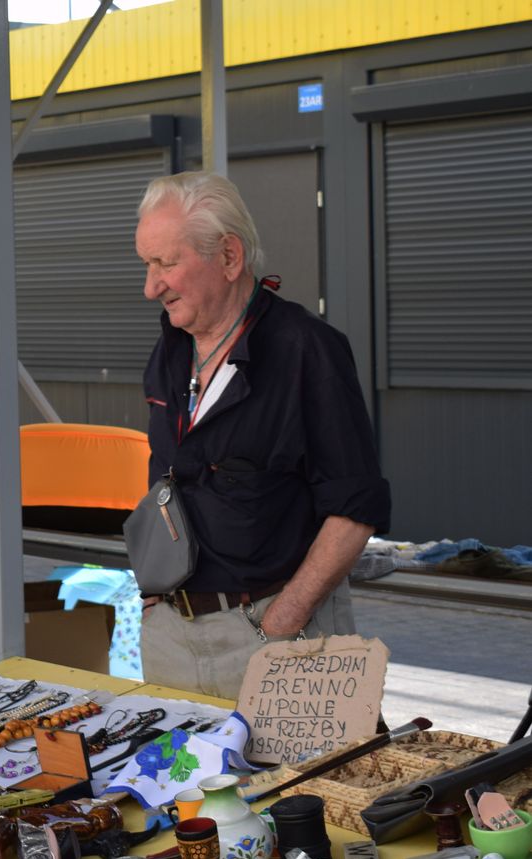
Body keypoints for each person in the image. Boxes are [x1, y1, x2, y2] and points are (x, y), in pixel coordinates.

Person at [134, 172, 390, 699]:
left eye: (166, 263)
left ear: (229, 258)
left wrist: (280, 623)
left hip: (276, 633)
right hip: (171, 636)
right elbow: (165, 479)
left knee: (301, 785)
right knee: (185, 785)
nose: (151, 286)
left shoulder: (307, 350)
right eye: (146, 264)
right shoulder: (172, 348)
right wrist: (153, 598)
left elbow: (354, 510)